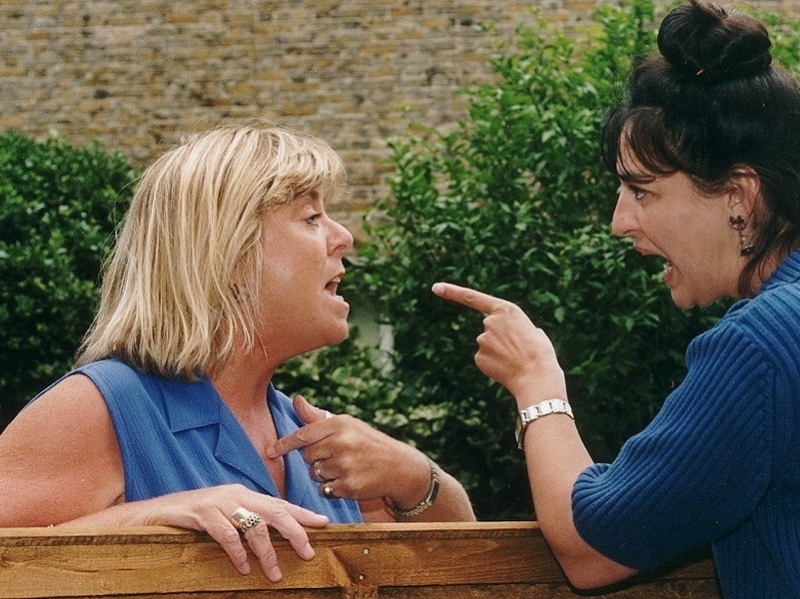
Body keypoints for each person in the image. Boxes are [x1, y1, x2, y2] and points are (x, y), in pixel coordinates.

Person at [432, 1, 800, 597]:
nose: (619, 222)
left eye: (641, 190)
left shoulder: (758, 346)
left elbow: (594, 547)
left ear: (739, 195)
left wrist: (536, 383)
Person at [0, 122, 474, 582]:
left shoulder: (308, 433)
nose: (343, 237)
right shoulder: (99, 406)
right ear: (228, 255)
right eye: (311, 218)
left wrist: (414, 477)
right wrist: (144, 518)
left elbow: (465, 571)